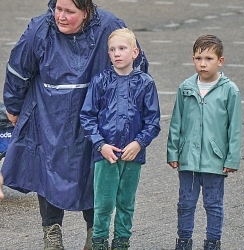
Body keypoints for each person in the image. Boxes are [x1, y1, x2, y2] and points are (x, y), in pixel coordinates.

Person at [1, 1, 149, 249]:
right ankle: (52, 234)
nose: (61, 16)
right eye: (58, 9)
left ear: (87, 11)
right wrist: (13, 107)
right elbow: (18, 69)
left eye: (70, 12)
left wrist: (129, 111)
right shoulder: (40, 29)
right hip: (49, 114)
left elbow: (137, 68)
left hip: (97, 118)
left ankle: (95, 234)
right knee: (47, 171)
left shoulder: (110, 27)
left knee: (94, 173)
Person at [80, 28, 161, 250]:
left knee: (126, 202)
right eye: (112, 50)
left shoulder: (145, 83)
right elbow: (87, 116)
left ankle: (122, 242)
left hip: (133, 156)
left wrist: (139, 143)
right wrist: (100, 144)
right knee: (104, 203)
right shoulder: (101, 81)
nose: (117, 53)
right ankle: (99, 242)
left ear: (135, 52)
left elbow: (153, 121)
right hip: (106, 155)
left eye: (122, 48)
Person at [167, 34, 242, 250]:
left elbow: (234, 128)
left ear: (220, 61)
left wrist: (232, 158)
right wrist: (173, 151)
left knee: (213, 205)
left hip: (215, 160)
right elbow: (176, 122)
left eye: (209, 58)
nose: (203, 63)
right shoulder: (185, 88)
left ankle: (212, 242)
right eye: (198, 58)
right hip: (188, 159)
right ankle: (183, 241)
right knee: (185, 204)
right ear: (193, 59)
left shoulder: (230, 91)